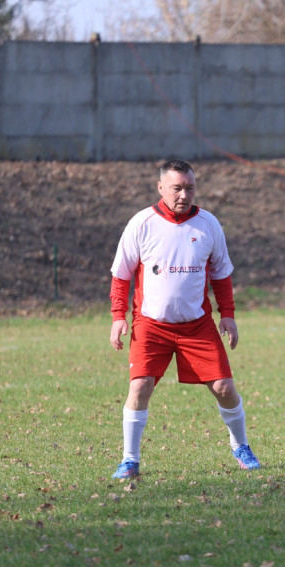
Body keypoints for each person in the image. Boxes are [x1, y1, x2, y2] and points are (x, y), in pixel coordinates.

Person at [108, 158, 260, 478]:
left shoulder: (208, 224)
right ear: (161, 187)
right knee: (140, 388)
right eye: (177, 187)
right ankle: (129, 460)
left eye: (189, 187)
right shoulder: (142, 223)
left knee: (224, 387)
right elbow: (121, 275)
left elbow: (221, 275)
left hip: (197, 325)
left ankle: (240, 447)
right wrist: (117, 315)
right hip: (151, 325)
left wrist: (228, 315)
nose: (183, 194)